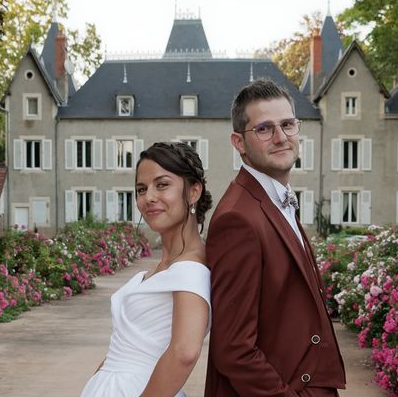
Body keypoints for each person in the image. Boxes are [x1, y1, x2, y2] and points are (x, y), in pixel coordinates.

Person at [204, 79, 346, 397]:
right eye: (265, 129)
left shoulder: (272, 198)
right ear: (239, 142)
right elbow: (234, 348)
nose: (281, 137)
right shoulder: (237, 219)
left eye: (287, 124)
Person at [81, 142, 213, 397]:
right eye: (141, 189)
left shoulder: (190, 269)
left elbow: (184, 353)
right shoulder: (169, 266)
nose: (148, 197)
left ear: (193, 191)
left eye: (162, 185)